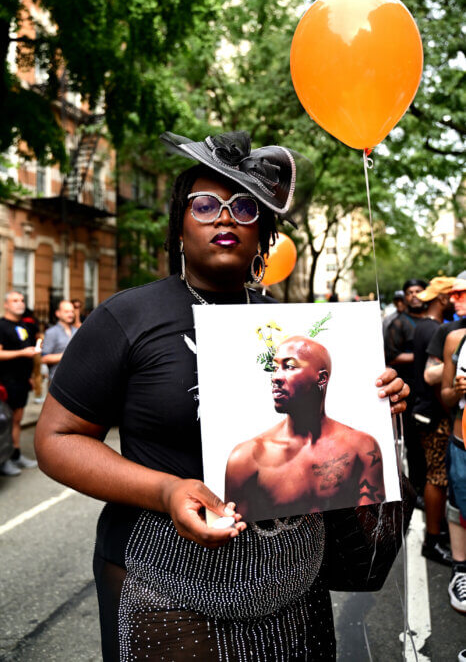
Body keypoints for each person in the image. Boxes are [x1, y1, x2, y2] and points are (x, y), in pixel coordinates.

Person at [35, 131, 409, 661]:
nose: (225, 218)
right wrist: (165, 491)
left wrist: (379, 401)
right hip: (166, 585)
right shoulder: (126, 318)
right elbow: (55, 439)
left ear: (265, 235)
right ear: (179, 227)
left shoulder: (295, 325)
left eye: (245, 208)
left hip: (293, 588)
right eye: (206, 205)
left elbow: (331, 441)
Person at [225, 336, 385, 521]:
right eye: (275, 367)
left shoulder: (362, 447)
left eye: (289, 366)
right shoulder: (246, 458)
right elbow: (239, 542)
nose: (276, 377)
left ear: (322, 378)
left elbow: (375, 534)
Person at [411, 277, 456, 565]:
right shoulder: (437, 330)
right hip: (434, 413)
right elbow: (436, 379)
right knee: (437, 477)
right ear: (443, 299)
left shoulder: (423, 326)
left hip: (423, 408)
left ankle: (436, 534)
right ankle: (433, 538)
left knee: (434, 475)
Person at [385, 278, 428, 500]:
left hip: (432, 389)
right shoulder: (399, 323)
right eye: (409, 292)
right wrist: (420, 355)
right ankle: (418, 489)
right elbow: (391, 355)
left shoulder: (434, 318)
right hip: (410, 390)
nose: (414, 295)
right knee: (414, 443)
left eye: (418, 291)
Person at [440, 276, 466, 613]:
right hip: (462, 444)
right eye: (455, 293)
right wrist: (457, 392)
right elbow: (445, 395)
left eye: (464, 293)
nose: (457, 299)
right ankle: (461, 570)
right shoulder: (455, 339)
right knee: (460, 508)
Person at [0, 291, 38, 476]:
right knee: (4, 422)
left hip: (22, 381)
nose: (20, 303)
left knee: (16, 420)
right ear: (6, 304)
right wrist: (22, 353)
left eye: (22, 300)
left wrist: (29, 376)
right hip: (5, 382)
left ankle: (15, 454)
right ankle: (4, 460)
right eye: (15, 300)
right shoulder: (1, 326)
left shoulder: (24, 326)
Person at [41, 300, 77, 383]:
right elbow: (44, 358)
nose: (70, 314)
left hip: (76, 378)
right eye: (66, 311)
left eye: (72, 311)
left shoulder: (77, 331)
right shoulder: (51, 332)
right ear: (58, 313)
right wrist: (69, 355)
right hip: (58, 380)